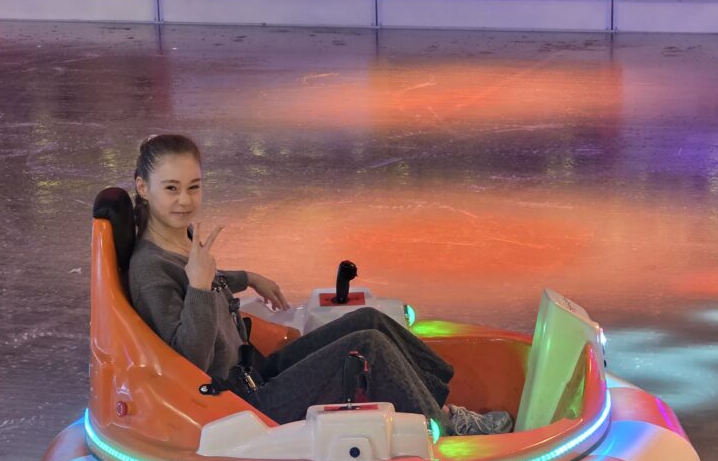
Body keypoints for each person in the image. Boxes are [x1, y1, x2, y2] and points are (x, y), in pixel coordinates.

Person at [128, 134, 513, 436]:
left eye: (194, 187)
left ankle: (438, 405)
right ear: (143, 188)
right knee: (368, 347)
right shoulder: (149, 269)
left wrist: (248, 278)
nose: (185, 200)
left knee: (369, 320)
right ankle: (443, 425)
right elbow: (188, 361)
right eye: (171, 188)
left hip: (254, 370)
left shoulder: (179, 238)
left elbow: (206, 280)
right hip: (237, 403)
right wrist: (198, 287)